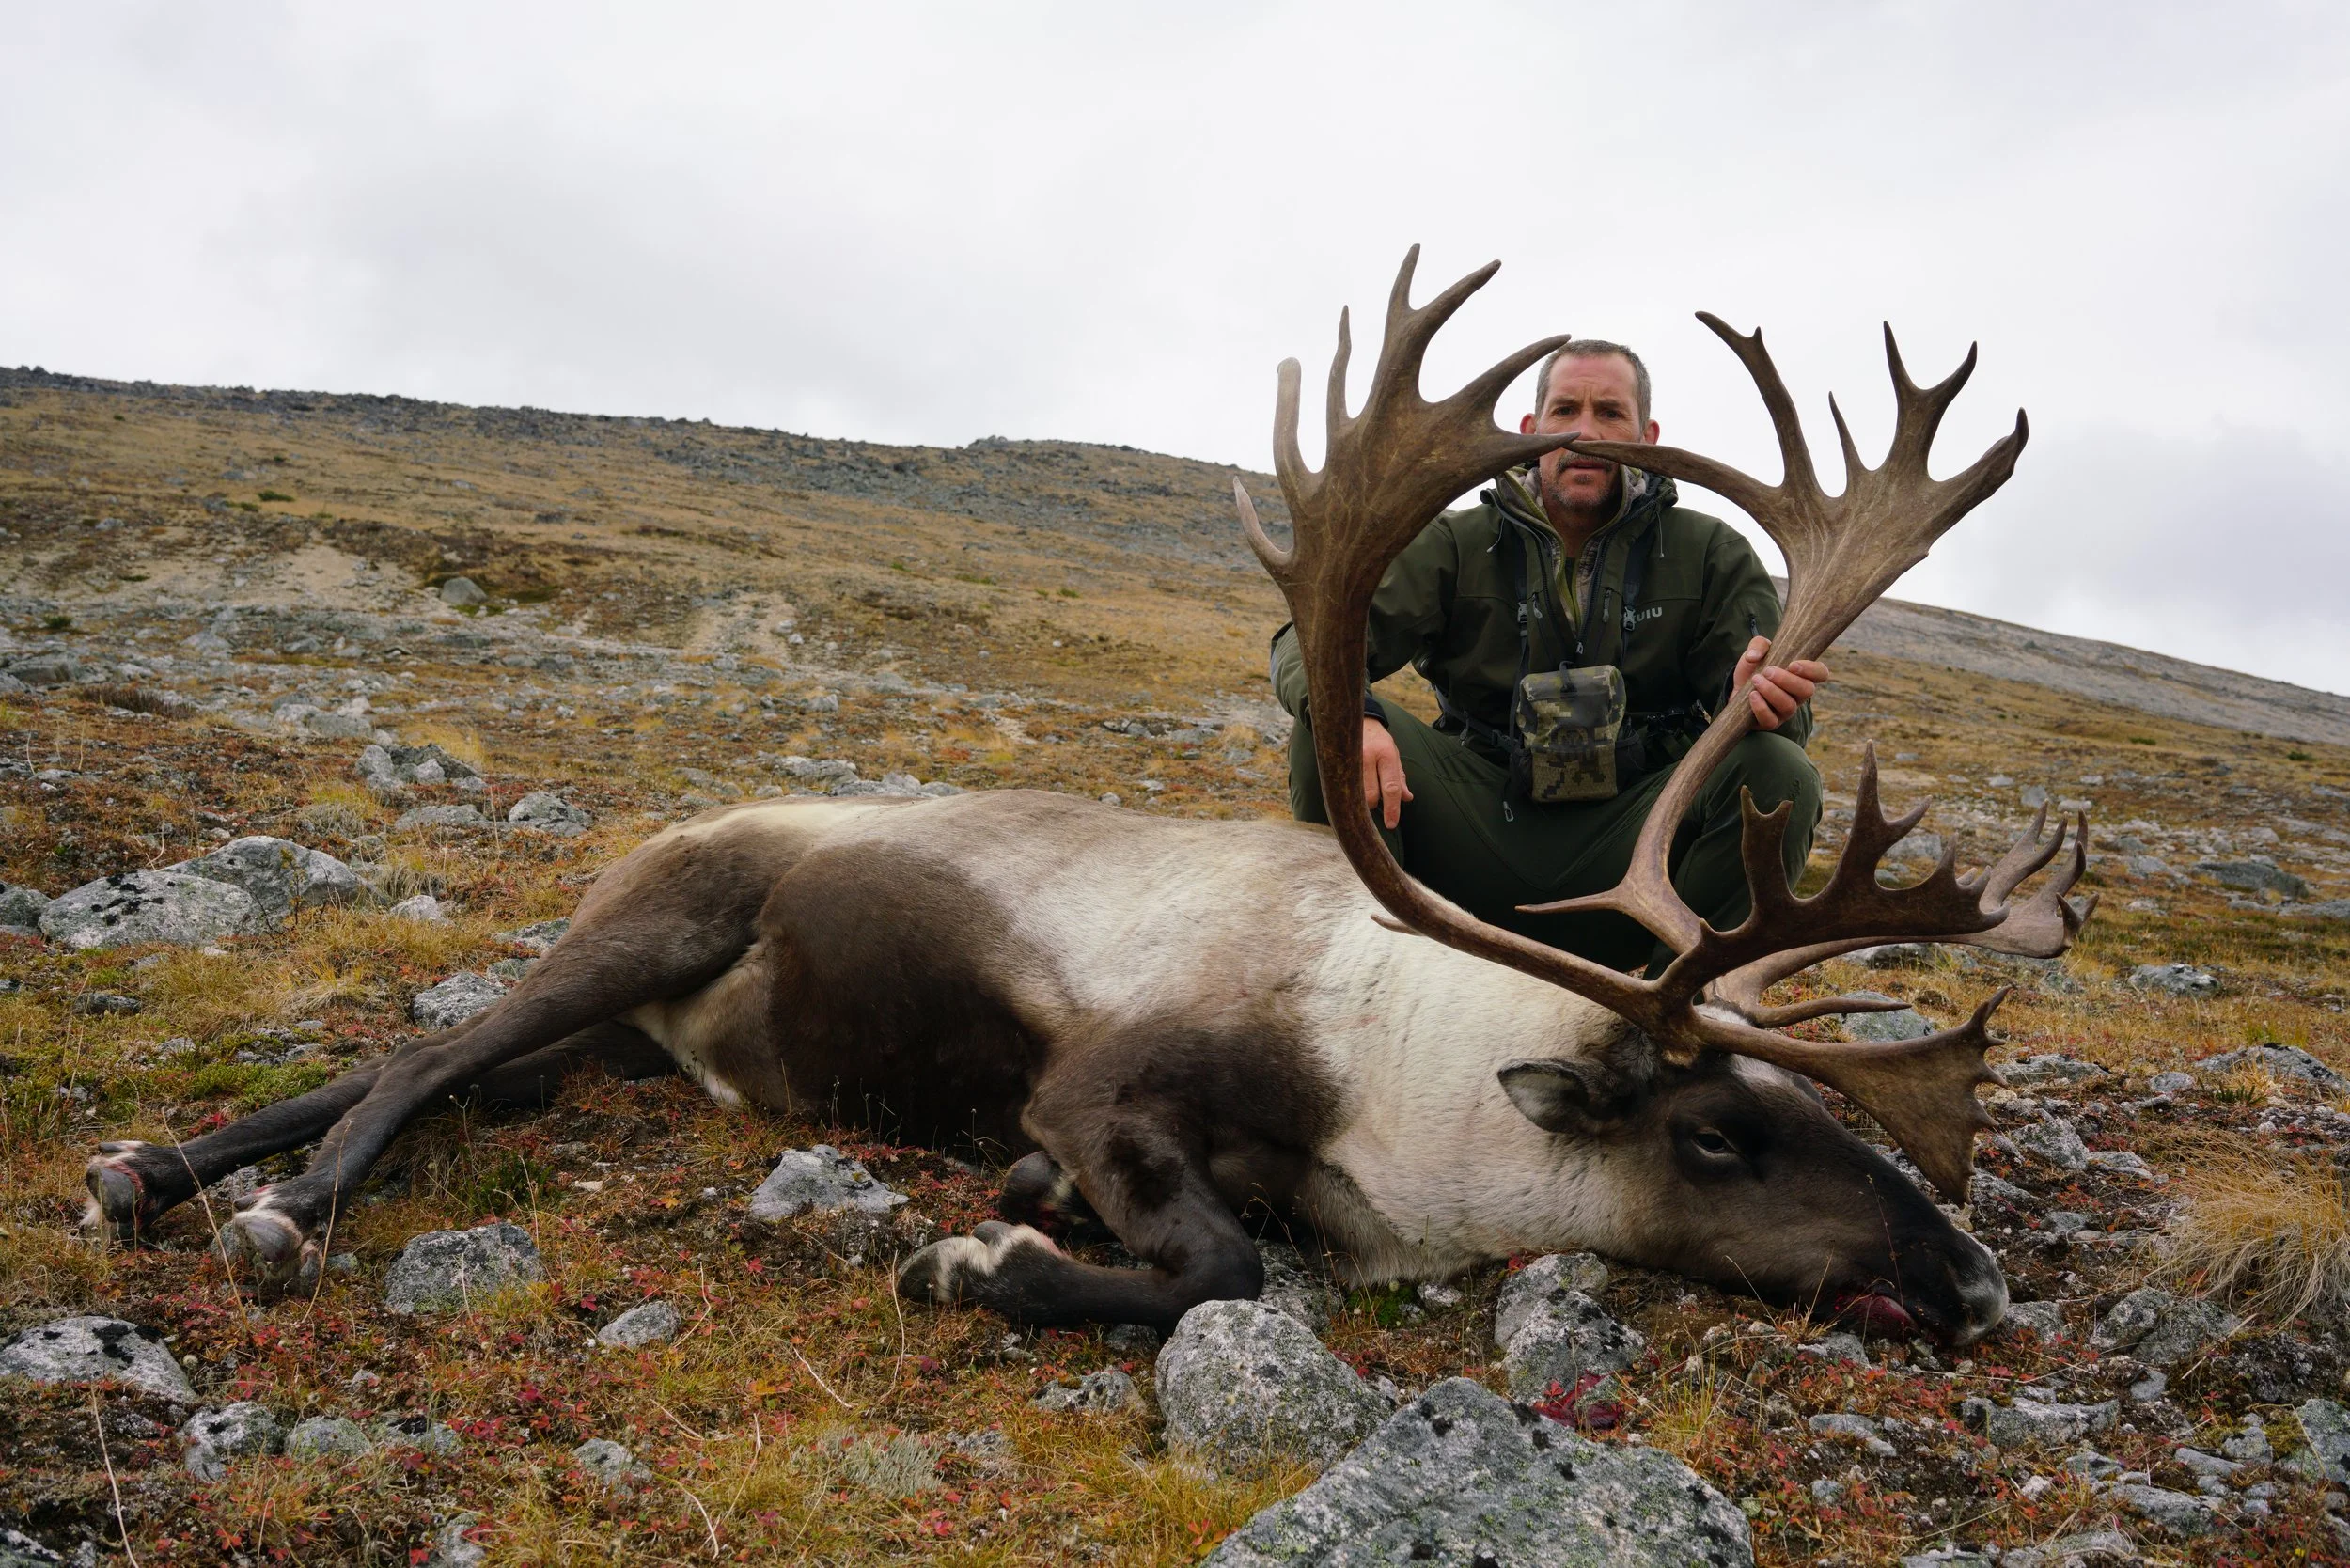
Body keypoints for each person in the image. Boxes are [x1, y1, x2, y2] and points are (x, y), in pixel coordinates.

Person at [1269, 338, 1830, 970]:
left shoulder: (1712, 554)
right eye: (1565, 411)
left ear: (1647, 436)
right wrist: (1355, 716)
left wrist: (1757, 701)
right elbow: (1306, 639)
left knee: (1776, 771)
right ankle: (1365, 987)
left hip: (1638, 842)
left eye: (1610, 414)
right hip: (1477, 829)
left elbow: (1787, 728)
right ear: (1531, 430)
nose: (1585, 433)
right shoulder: (1458, 541)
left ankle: (1693, 1025)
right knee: (1332, 728)